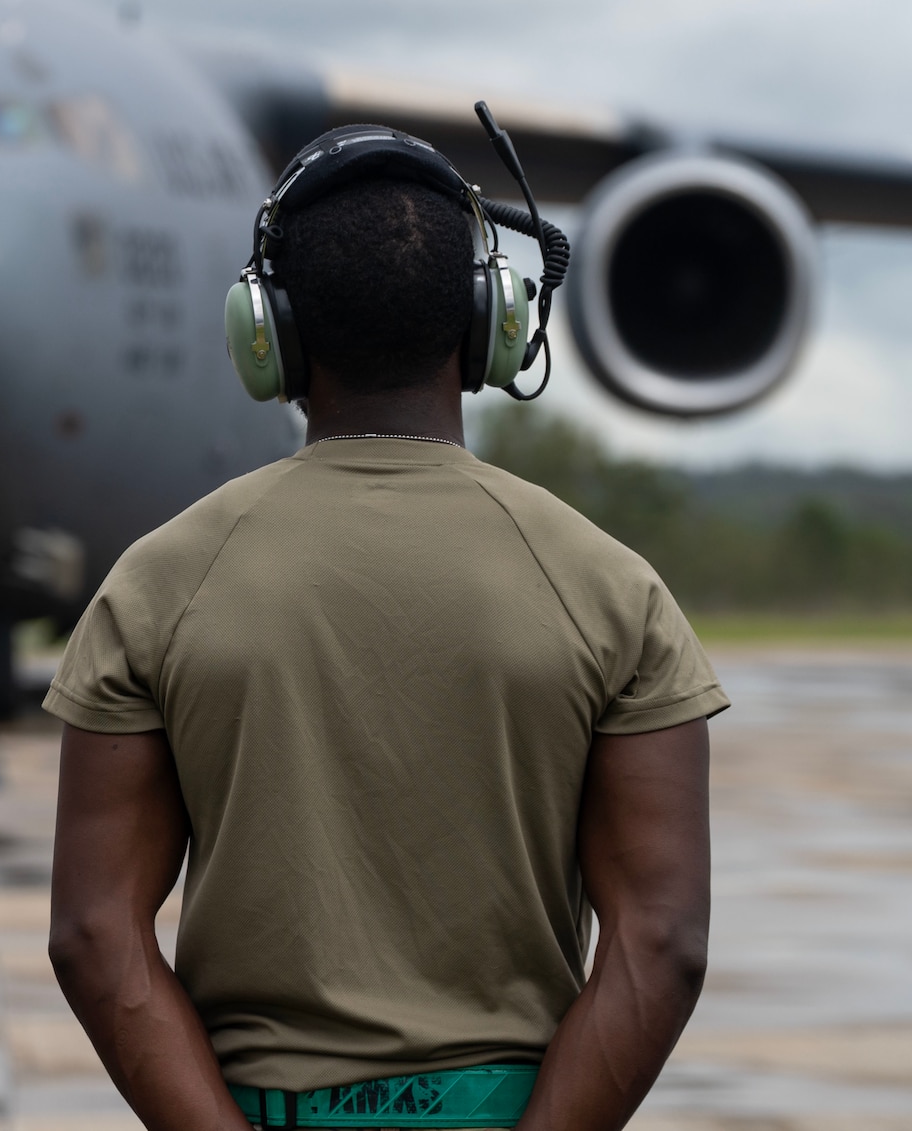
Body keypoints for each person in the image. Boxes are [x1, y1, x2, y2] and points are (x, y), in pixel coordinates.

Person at [45, 129, 725, 1131]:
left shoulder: (157, 585)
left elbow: (94, 932)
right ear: (491, 324)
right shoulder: (609, 588)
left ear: (267, 331)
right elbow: (661, 939)